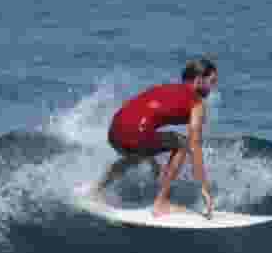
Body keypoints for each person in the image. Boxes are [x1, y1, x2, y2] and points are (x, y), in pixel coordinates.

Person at [92, 57, 219, 217]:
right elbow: (194, 145)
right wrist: (204, 187)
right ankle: (161, 203)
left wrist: (149, 158)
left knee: (136, 154)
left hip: (114, 133)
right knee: (182, 143)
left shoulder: (164, 88)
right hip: (137, 135)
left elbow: (135, 115)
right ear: (199, 80)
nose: (213, 88)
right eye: (212, 82)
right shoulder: (197, 103)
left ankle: (97, 190)